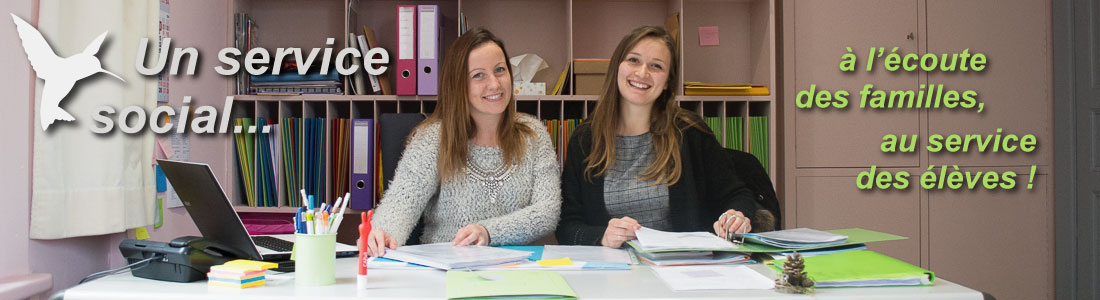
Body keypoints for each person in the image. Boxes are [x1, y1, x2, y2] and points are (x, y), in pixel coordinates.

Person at [556, 26, 770, 249]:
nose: (642, 73)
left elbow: (737, 194)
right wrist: (603, 236)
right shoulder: (585, 140)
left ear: (668, 80)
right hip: (614, 270)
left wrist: (736, 215)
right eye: (633, 60)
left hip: (684, 266)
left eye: (656, 66)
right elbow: (567, 226)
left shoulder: (689, 132)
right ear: (617, 67)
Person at [366, 28, 561, 256]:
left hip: (521, 271)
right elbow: (401, 202)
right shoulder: (432, 140)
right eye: (479, 75)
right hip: (449, 269)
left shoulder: (533, 134)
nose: (495, 84)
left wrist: (488, 232)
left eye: (500, 70)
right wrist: (383, 233)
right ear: (458, 84)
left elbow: (547, 212)